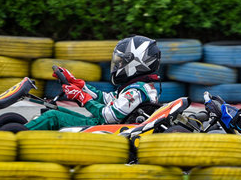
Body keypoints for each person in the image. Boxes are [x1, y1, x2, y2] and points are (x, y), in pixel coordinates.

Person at [25, 35, 161, 130]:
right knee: (54, 109)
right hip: (105, 125)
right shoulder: (138, 87)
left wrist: (82, 97)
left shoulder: (136, 92)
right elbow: (107, 99)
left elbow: (109, 116)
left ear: (136, 64)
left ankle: (14, 137)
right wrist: (79, 85)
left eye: (121, 62)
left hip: (106, 129)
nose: (117, 65)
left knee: (52, 117)